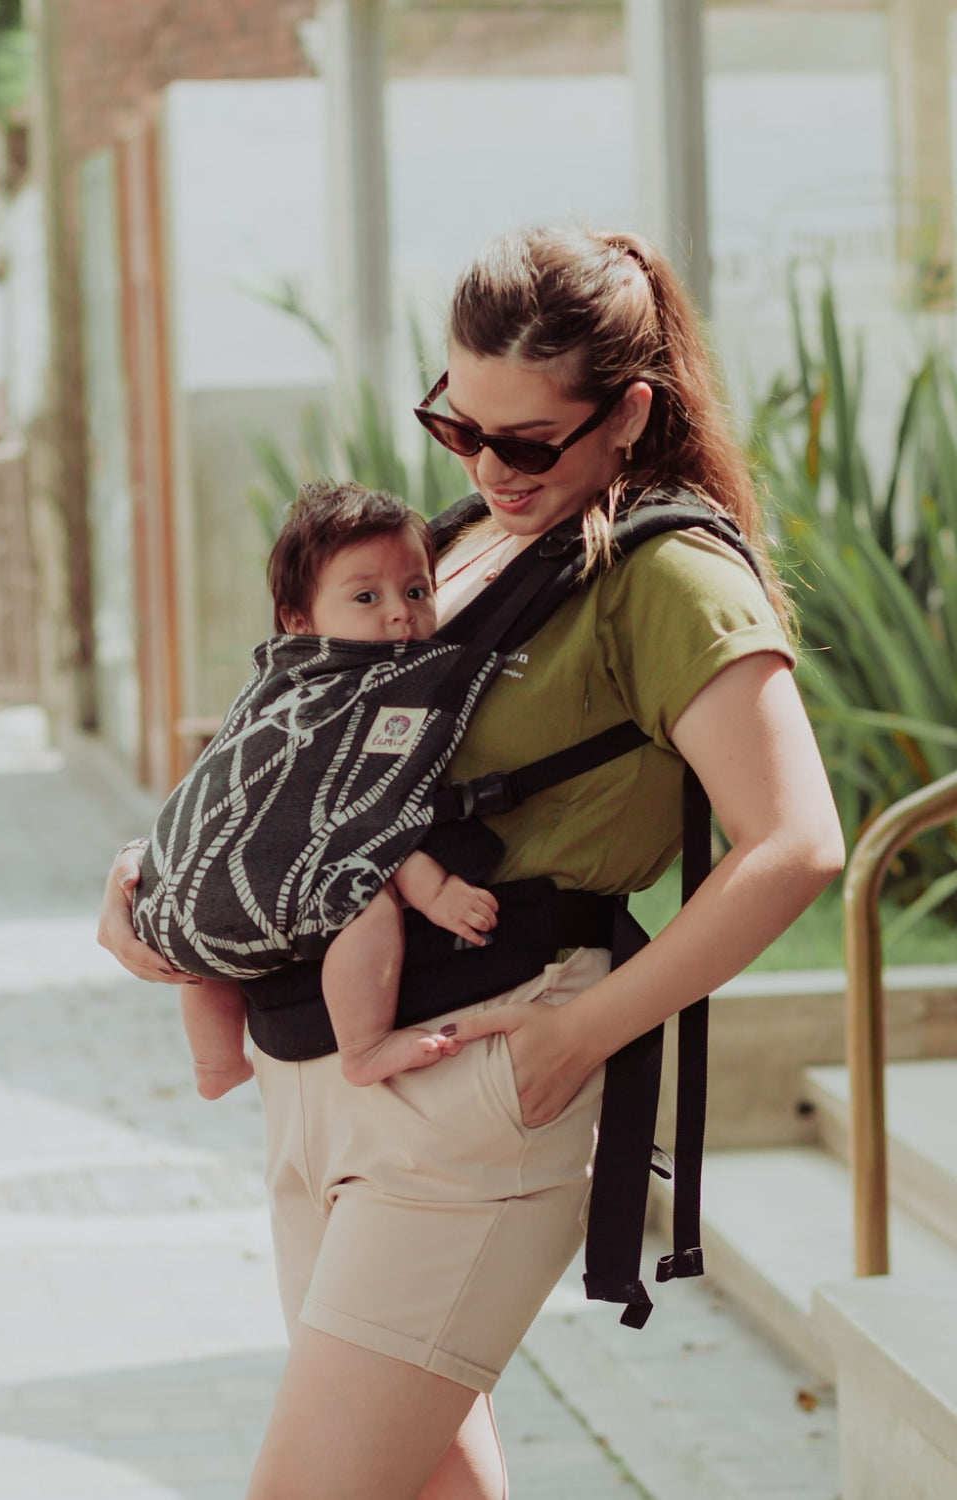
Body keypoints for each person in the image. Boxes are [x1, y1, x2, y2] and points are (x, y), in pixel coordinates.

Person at [98, 226, 845, 1500]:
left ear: (629, 415)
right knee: (433, 1484)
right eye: (462, 428)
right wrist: (157, 892)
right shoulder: (449, 546)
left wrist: (578, 1038)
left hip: (479, 1087)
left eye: (528, 440)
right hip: (320, 1078)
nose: (490, 467)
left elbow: (796, 844)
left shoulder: (667, 574)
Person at [134, 479, 499, 1095]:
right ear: (300, 620)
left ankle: (216, 1062)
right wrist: (434, 893)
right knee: (364, 898)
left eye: (417, 590)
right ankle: (365, 1045)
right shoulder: (376, 694)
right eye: (366, 595)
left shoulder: (274, 684)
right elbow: (366, 813)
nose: (400, 611)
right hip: (244, 895)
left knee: (211, 955)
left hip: (174, 907)